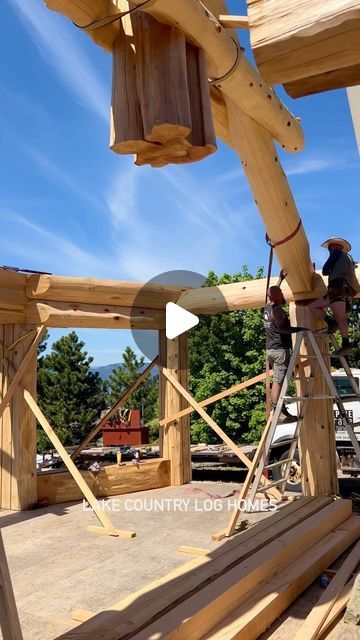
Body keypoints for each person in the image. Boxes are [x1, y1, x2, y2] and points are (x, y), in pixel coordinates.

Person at [264, 273, 306, 423]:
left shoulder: (267, 307)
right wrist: (301, 329)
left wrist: (280, 280)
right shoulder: (277, 311)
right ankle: (278, 411)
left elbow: (272, 292)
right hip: (280, 350)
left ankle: (280, 409)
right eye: (281, 294)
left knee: (278, 379)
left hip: (270, 349)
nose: (283, 295)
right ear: (278, 297)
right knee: (278, 381)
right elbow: (284, 330)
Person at [309, 237, 359, 355]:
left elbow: (325, 270)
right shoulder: (348, 259)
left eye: (330, 248)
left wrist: (330, 269)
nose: (330, 250)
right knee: (314, 306)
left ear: (335, 247)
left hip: (337, 288)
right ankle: (331, 323)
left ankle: (345, 343)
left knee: (340, 317)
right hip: (338, 290)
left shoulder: (336, 253)